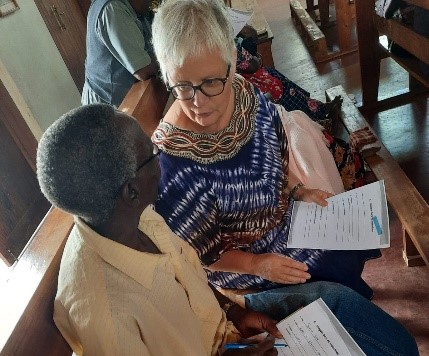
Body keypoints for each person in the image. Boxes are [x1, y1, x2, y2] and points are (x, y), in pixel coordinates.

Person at [36, 103, 429, 356]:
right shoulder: (103, 310)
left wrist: (235, 311)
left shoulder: (131, 217)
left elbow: (188, 274)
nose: (160, 158)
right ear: (130, 190)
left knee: (335, 299)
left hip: (220, 332)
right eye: (151, 155)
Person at [151, 0, 379, 300]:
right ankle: (349, 309)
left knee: (343, 226)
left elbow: (272, 160)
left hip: (279, 216)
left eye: (211, 82)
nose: (198, 102)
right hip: (241, 257)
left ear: (233, 60)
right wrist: (258, 265)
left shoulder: (243, 92)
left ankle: (354, 306)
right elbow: (202, 254)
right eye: (182, 86)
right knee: (324, 261)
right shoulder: (171, 162)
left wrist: (298, 191)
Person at [235, 25, 342, 129]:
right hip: (241, 87)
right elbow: (253, 65)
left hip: (241, 80)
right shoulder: (229, 47)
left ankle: (319, 109)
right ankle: (318, 123)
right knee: (277, 86)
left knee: (274, 76)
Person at [82, 0, 159, 107]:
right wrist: (170, 57)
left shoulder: (131, 8)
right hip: (107, 102)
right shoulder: (113, 8)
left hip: (121, 96)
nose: (150, 3)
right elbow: (143, 70)